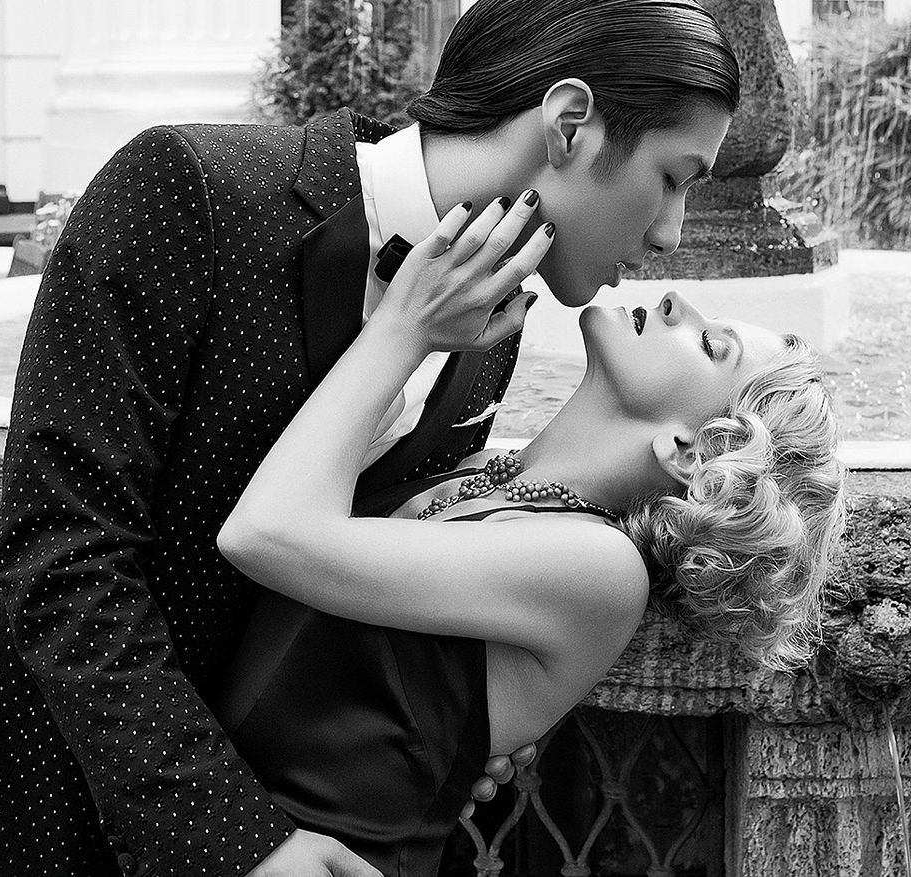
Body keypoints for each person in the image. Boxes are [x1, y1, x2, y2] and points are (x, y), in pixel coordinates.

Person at [0, 0, 745, 877]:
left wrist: (463, 717)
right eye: (673, 176)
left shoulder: (493, 330)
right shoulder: (187, 191)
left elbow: (362, 580)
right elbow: (61, 551)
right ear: (570, 124)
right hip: (40, 827)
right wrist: (241, 841)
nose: (670, 234)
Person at [218, 197, 843, 877]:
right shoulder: (487, 471)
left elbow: (266, 534)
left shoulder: (599, 567)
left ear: (690, 451)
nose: (672, 301)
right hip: (222, 831)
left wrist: (406, 325)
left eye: (708, 342)